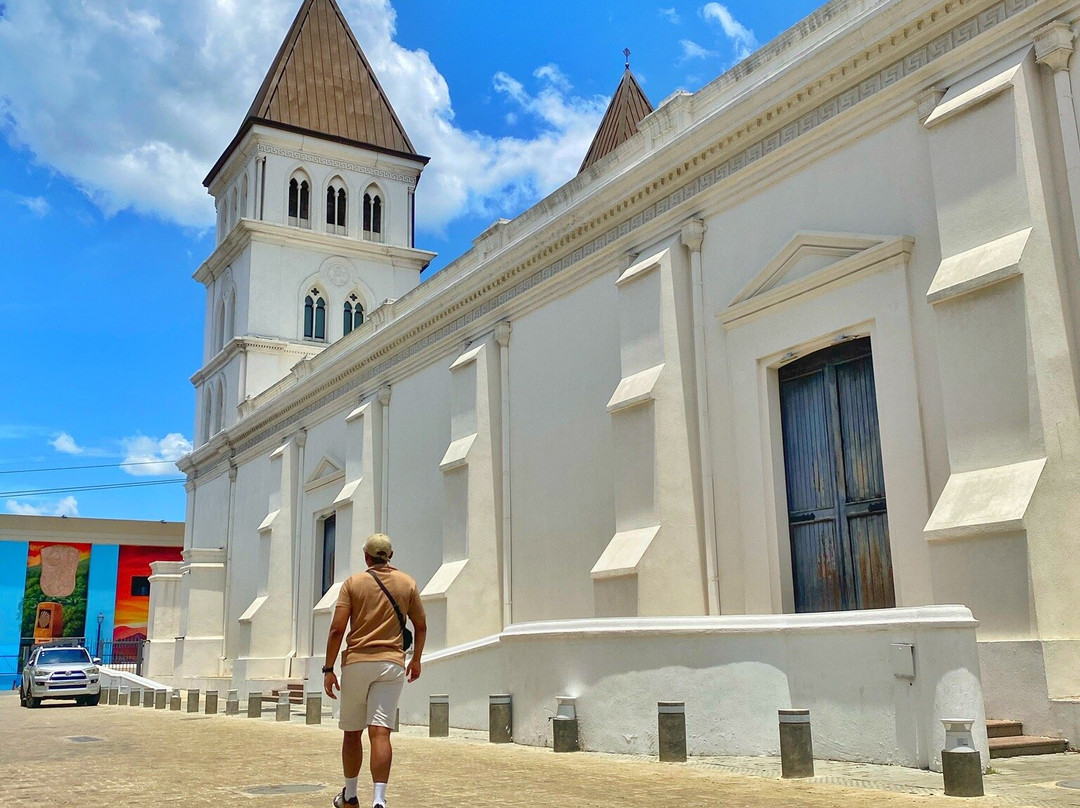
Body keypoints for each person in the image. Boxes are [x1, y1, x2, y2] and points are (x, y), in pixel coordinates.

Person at [324, 533, 426, 808]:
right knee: (381, 732)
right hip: (391, 663)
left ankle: (351, 794)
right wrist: (415, 659)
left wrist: (328, 668)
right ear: (390, 556)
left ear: (366, 556)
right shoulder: (408, 583)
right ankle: (379, 799)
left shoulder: (353, 583)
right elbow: (421, 625)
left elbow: (337, 629)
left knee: (352, 732)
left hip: (357, 661)